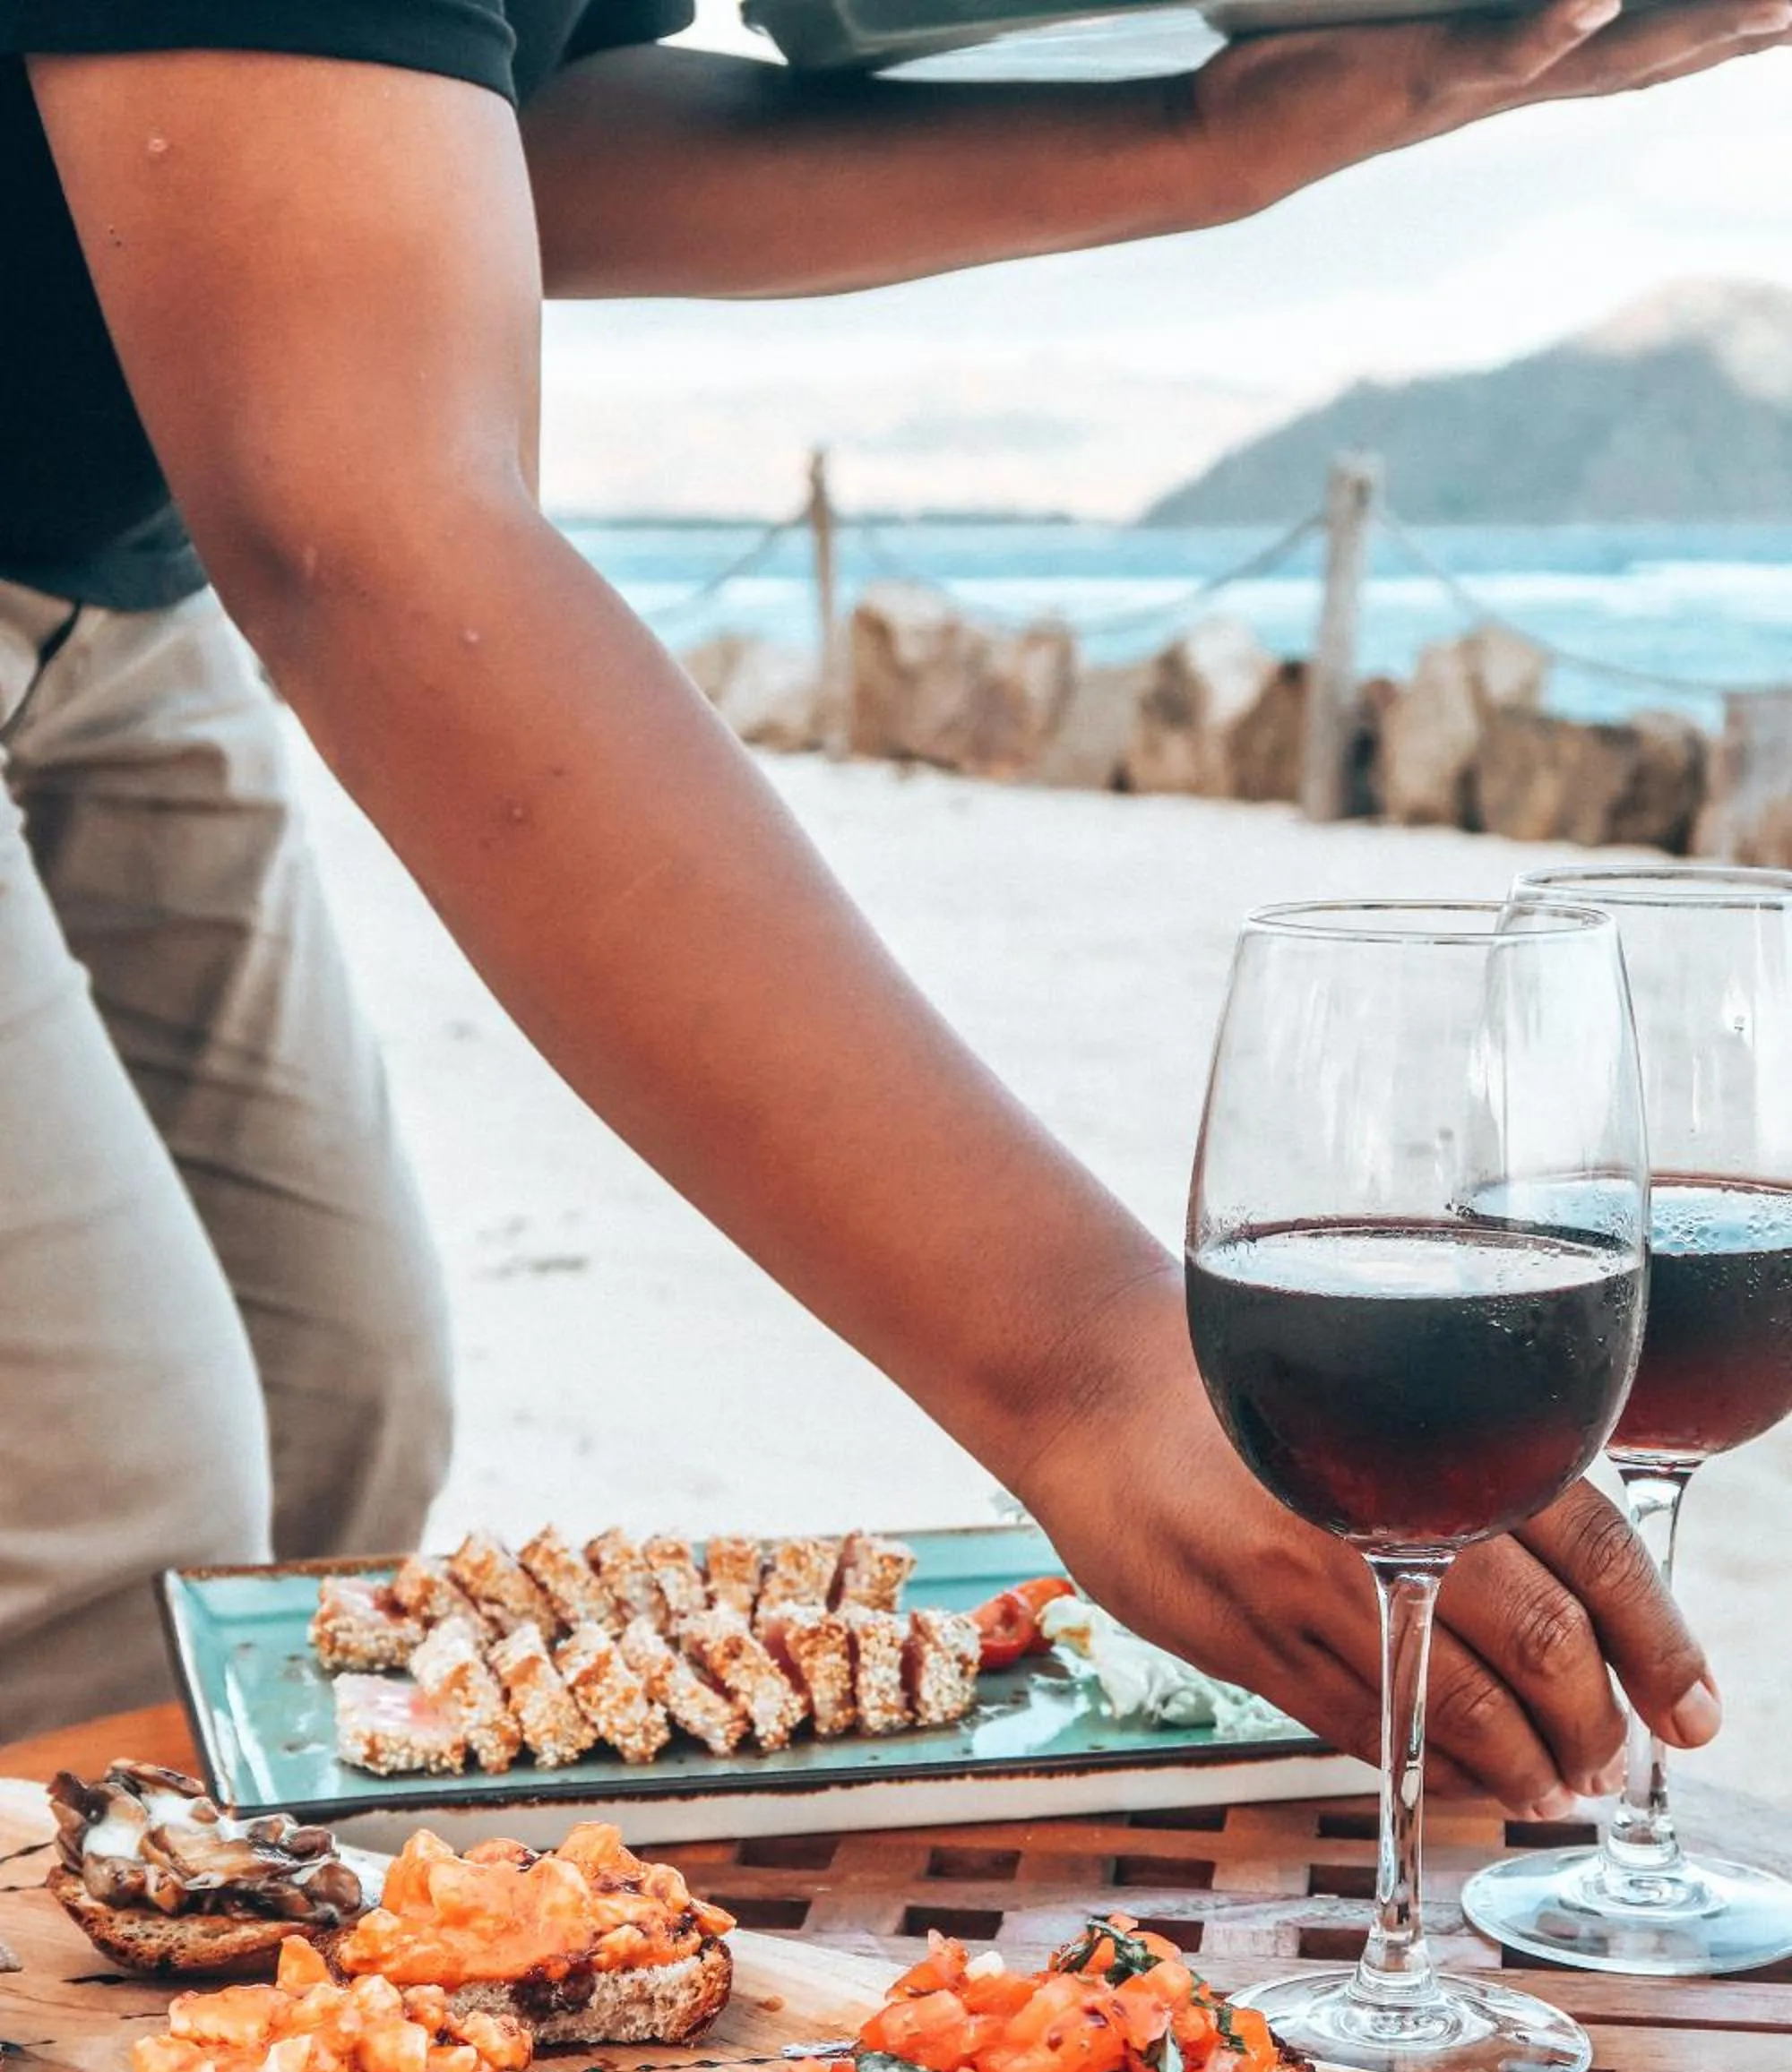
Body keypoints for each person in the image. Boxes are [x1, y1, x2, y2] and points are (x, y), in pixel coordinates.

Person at [1, 0, 1776, 1803]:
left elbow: (475, 129)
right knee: (94, 1512)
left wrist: (1209, 137)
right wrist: (1095, 1373)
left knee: (334, 1409)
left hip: (119, 601)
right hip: (192, 534)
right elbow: (360, 525)